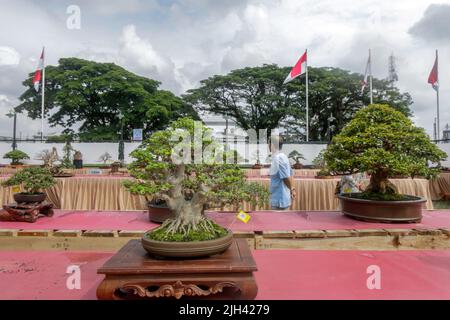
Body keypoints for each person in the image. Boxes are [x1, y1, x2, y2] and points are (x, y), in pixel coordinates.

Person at [268, 135, 296, 210]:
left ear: (272, 145)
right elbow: (291, 174)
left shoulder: (278, 158)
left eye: (269, 143)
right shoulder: (283, 156)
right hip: (281, 197)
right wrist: (292, 189)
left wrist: (292, 189)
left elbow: (285, 177)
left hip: (279, 198)